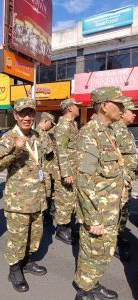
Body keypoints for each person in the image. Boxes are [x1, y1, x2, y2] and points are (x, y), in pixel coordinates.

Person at [74, 87, 126, 300]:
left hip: (110, 208)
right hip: (97, 211)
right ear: (104, 105)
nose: (123, 109)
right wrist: (93, 217)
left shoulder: (109, 131)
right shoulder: (89, 134)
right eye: (119, 104)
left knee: (104, 254)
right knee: (92, 253)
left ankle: (93, 283)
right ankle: (84, 292)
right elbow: (84, 181)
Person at [0, 98, 47, 293]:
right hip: (19, 200)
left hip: (38, 197)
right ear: (15, 115)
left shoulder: (38, 136)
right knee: (18, 237)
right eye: (22, 113)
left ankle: (28, 261)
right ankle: (14, 269)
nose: (27, 117)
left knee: (35, 234)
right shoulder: (8, 137)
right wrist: (16, 149)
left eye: (30, 113)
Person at [112, 99, 138, 261]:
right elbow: (114, 159)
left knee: (123, 212)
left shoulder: (125, 130)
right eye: (132, 111)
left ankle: (119, 236)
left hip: (127, 180)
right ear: (122, 113)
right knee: (114, 213)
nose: (134, 114)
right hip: (119, 182)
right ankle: (112, 243)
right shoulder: (116, 131)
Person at [54, 98, 81, 244]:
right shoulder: (63, 125)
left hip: (73, 168)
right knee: (64, 200)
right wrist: (66, 173)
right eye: (76, 106)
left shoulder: (73, 124)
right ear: (70, 108)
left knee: (71, 200)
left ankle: (68, 227)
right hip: (66, 171)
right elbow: (60, 149)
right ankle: (61, 229)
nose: (78, 108)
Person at [36, 112, 56, 225]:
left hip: (43, 169)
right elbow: (48, 150)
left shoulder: (38, 133)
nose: (51, 126)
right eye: (50, 124)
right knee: (45, 193)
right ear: (45, 121)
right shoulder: (42, 134)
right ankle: (43, 217)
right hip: (43, 169)